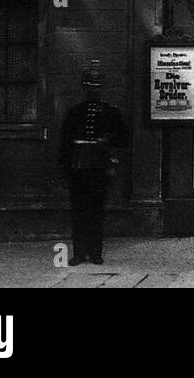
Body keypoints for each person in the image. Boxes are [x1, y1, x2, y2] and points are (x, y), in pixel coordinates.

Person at [58, 65, 127, 266]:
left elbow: (122, 138)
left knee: (97, 212)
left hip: (99, 168)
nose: (93, 89)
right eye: (89, 85)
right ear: (83, 87)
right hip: (78, 169)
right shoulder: (74, 112)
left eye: (96, 85)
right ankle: (79, 252)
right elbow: (65, 143)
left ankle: (95, 252)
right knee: (78, 211)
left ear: (101, 87)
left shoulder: (110, 112)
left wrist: (106, 141)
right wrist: (64, 170)